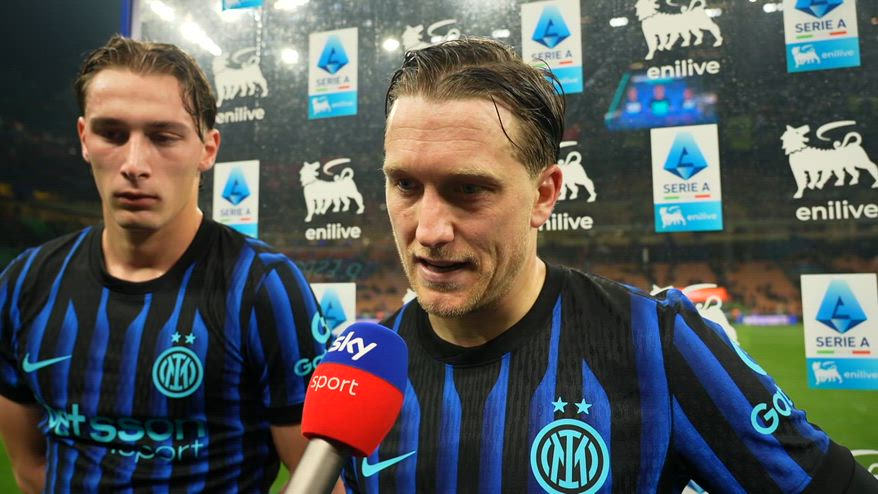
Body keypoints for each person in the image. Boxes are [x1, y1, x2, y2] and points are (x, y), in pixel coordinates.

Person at [341, 38, 878, 493]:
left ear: (544, 195)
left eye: (468, 189)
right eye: (405, 184)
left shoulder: (656, 343)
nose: (429, 230)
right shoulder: (359, 372)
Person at [0, 35, 327, 492]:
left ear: (208, 149)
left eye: (163, 136)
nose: (134, 163)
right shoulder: (24, 284)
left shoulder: (264, 288)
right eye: (112, 134)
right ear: (84, 139)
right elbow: (30, 467)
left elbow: (320, 481)